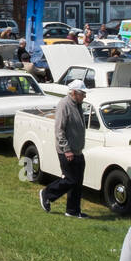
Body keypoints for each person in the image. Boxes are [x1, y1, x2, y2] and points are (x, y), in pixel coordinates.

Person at [40, 80, 90, 219]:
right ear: (73, 93)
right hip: (66, 150)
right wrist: (66, 149)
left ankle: (73, 210)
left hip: (78, 150)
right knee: (70, 179)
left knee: (78, 182)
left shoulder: (78, 104)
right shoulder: (64, 105)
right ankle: (47, 194)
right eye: (82, 93)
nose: (84, 96)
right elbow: (59, 130)